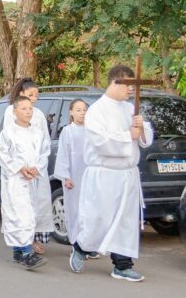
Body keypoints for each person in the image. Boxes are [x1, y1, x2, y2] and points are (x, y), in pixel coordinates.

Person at [70, 65, 153, 282]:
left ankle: (122, 265)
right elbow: (100, 142)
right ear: (116, 82)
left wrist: (141, 128)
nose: (131, 91)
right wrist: (128, 135)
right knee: (98, 219)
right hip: (104, 175)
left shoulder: (130, 109)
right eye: (128, 86)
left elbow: (144, 139)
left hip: (127, 176)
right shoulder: (96, 111)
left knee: (126, 222)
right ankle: (81, 247)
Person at [0, 96, 50, 270]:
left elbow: (44, 153)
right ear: (14, 112)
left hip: (32, 180)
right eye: (24, 108)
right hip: (15, 181)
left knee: (29, 213)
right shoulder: (8, 132)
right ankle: (27, 252)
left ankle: (18, 251)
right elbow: (2, 154)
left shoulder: (38, 133)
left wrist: (37, 168)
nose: (28, 112)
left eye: (30, 108)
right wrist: (19, 168)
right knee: (20, 215)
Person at [3, 78, 53, 254]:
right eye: (30, 95)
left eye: (36, 95)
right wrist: (20, 167)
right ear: (21, 94)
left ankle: (30, 240)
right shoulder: (11, 112)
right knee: (19, 209)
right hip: (18, 172)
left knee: (35, 207)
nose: (34, 98)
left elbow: (45, 141)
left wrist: (37, 167)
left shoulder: (38, 114)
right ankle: (22, 247)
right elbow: (8, 145)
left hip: (35, 170)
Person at [53, 99, 99, 259]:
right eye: (78, 110)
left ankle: (89, 244)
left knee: (90, 210)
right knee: (75, 210)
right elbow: (63, 155)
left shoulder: (92, 131)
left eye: (84, 110)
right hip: (73, 177)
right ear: (71, 112)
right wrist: (66, 177)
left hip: (90, 176)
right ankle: (76, 243)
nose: (82, 113)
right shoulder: (68, 131)